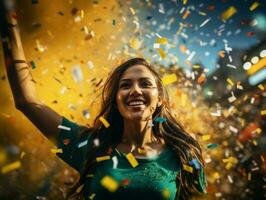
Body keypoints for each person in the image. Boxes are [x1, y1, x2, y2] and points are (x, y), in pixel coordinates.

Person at [0, 1, 207, 199]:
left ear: (160, 98)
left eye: (145, 84)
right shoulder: (90, 146)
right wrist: (8, 18)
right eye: (125, 85)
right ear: (116, 99)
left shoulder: (183, 153)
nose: (135, 90)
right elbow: (26, 101)